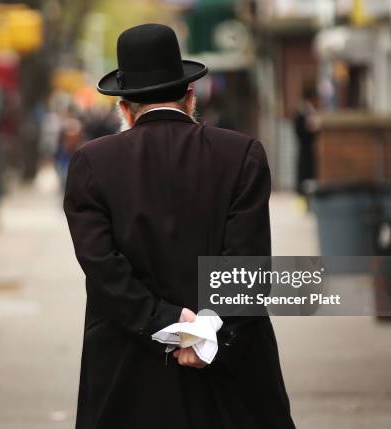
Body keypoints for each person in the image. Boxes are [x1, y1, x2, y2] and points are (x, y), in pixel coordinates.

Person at [64, 23, 295, 429]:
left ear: (124, 108)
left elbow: (103, 269)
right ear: (191, 97)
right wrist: (206, 333)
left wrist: (166, 323)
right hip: (231, 371)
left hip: (129, 372)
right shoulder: (242, 154)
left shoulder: (92, 164)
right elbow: (249, 267)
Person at [294, 85, 320, 195]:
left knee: (309, 171)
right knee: (306, 171)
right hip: (305, 146)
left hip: (309, 147)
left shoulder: (310, 112)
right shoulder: (304, 113)